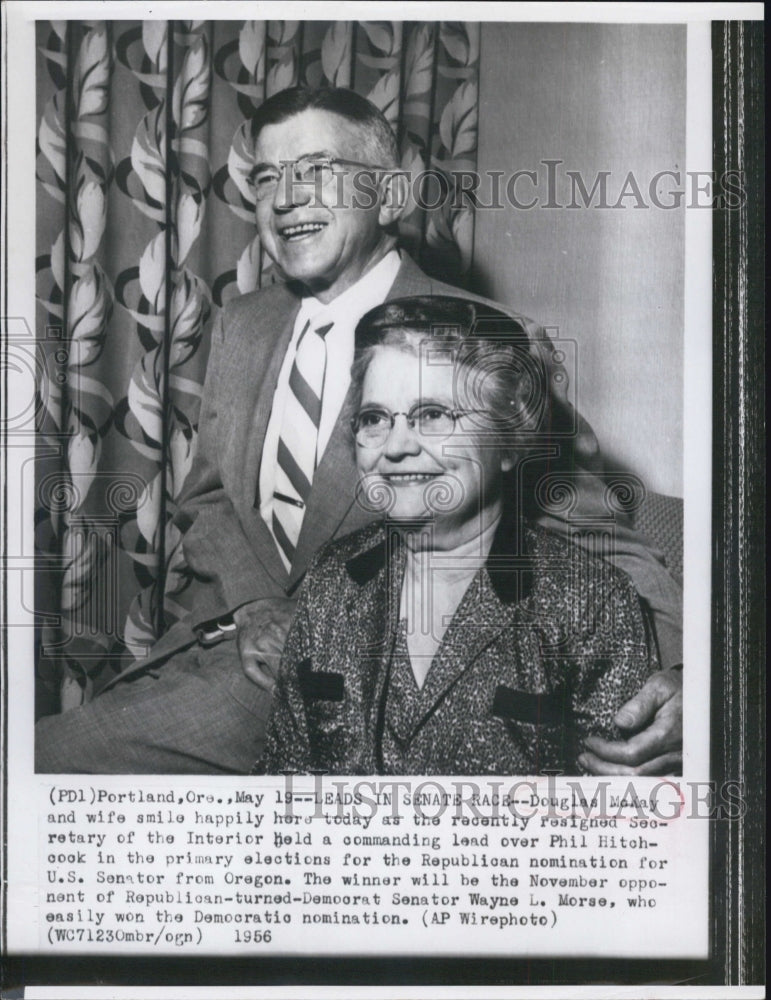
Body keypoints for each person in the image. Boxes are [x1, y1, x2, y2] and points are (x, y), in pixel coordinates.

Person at [35, 86, 682, 775]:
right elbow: (207, 497)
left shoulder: (486, 335)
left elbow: (597, 533)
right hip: (205, 640)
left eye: (315, 169)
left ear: (391, 194)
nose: (284, 197)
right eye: (265, 177)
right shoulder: (243, 321)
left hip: (346, 683)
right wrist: (255, 606)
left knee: (43, 765)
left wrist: (684, 675)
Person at [265, 297, 659, 775]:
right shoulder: (332, 579)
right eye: (374, 419)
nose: (396, 446)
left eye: (433, 415)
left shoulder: (591, 603)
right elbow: (281, 783)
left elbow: (617, 825)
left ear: (510, 441)